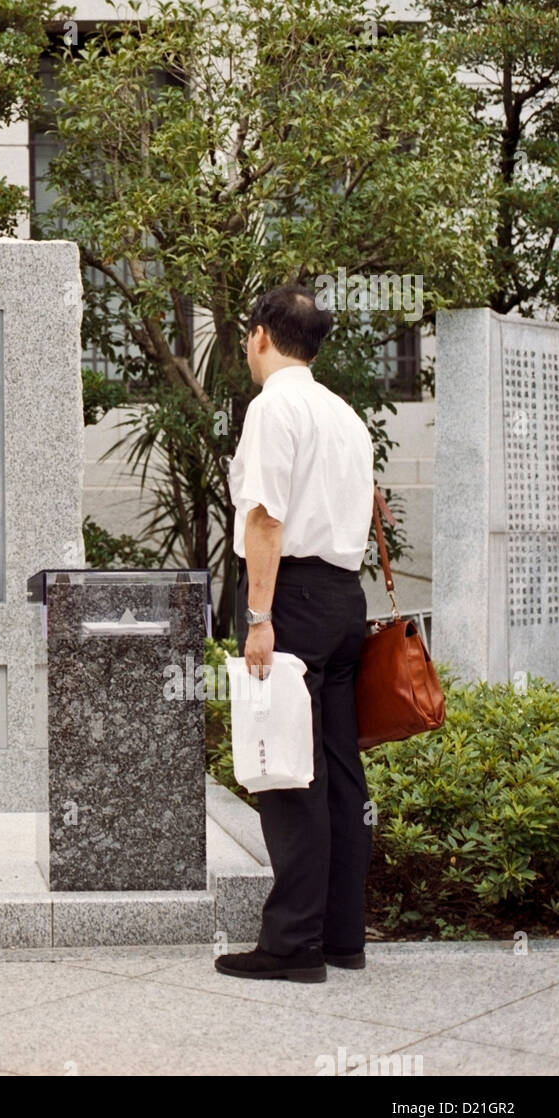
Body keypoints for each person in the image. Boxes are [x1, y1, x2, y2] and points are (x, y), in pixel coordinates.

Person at [215, 285, 375, 984]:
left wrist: (257, 617)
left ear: (258, 337)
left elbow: (265, 522)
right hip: (344, 598)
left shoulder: (273, 406)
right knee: (340, 773)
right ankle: (341, 937)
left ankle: (291, 946)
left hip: (295, 600)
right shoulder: (342, 413)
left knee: (287, 772)